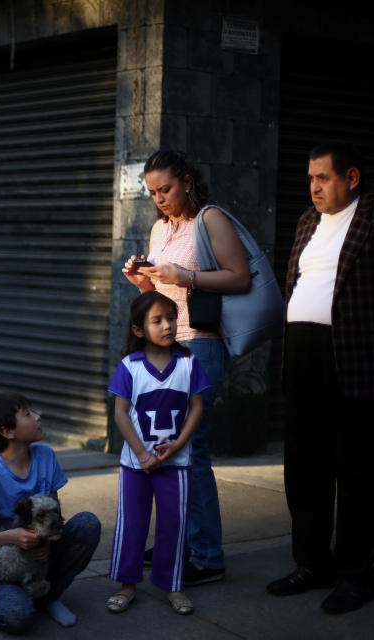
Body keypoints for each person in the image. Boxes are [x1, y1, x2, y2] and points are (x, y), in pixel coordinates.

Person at [267, 142, 374, 614]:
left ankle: (357, 573)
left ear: (351, 177)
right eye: (310, 178)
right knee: (306, 468)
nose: (314, 187)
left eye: (324, 178)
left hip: (359, 361)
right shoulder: (306, 222)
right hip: (305, 361)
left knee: (362, 471)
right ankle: (313, 562)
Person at [122, 149, 249, 586]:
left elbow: (239, 277)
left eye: (166, 189)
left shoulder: (209, 219)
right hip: (167, 351)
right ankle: (186, 542)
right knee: (169, 451)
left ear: (188, 181)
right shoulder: (160, 228)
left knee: (191, 453)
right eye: (152, 192)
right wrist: (143, 282)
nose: (159, 198)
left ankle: (208, 556)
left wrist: (185, 277)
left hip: (201, 348)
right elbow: (163, 292)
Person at [0, 392, 100, 634]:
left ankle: (51, 596)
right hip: (6, 567)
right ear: (7, 432)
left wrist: (46, 542)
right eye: (27, 414)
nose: (37, 417)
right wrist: (12, 537)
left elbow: (56, 510)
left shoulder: (46, 456)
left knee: (87, 524)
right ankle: (19, 596)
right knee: (16, 618)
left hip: (41, 558)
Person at [106, 291, 209, 616]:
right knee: (132, 523)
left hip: (175, 464)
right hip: (136, 465)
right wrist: (142, 454)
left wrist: (178, 445)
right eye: (157, 320)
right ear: (138, 329)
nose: (167, 325)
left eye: (171, 318)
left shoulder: (188, 363)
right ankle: (127, 585)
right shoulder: (129, 367)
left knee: (174, 525)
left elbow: (197, 407)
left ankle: (173, 585)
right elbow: (121, 414)